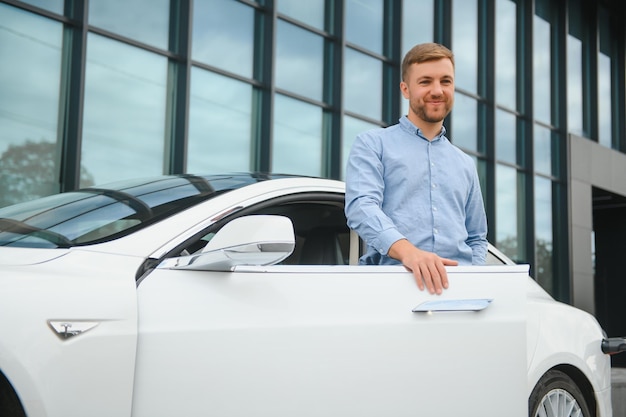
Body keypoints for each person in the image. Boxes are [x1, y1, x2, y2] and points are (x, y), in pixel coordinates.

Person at [344, 42, 488, 295]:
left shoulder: (465, 163)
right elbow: (361, 207)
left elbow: (477, 237)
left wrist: (471, 278)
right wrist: (410, 254)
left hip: (460, 293)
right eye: (425, 82)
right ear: (405, 89)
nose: (437, 90)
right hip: (391, 289)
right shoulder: (372, 144)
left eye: (445, 81)